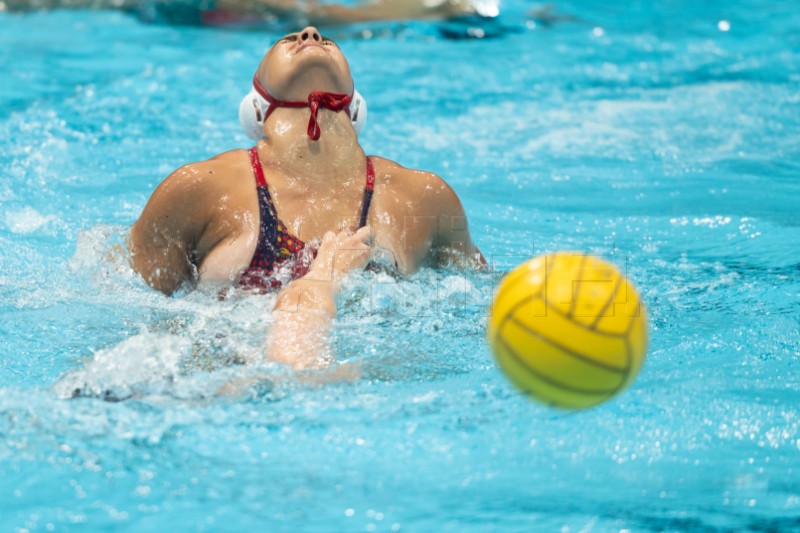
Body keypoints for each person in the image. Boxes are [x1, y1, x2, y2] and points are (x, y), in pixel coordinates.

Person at [127, 26, 484, 368]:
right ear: (255, 107)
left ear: (355, 106)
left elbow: (481, 302)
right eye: (287, 38)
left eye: (326, 38)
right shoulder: (203, 188)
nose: (310, 33)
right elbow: (131, 313)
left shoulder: (420, 198)